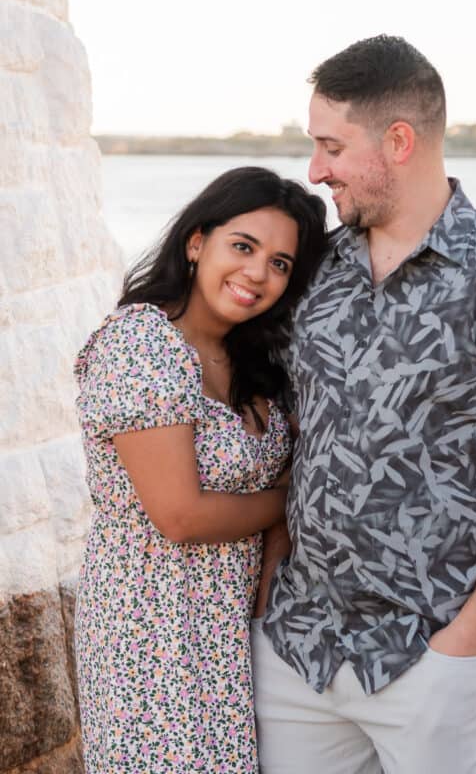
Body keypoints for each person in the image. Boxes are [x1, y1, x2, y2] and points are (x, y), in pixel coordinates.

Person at [253, 36, 476, 774]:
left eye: (331, 146)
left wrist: (465, 642)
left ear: (398, 141)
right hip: (300, 649)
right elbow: (294, 439)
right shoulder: (316, 272)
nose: (315, 170)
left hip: (437, 657)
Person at [74, 166, 326, 774]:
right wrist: (294, 498)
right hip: (148, 635)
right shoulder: (141, 344)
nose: (257, 274)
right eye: (243, 247)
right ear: (196, 242)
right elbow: (180, 515)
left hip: (231, 633)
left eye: (281, 264)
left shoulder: (258, 359)